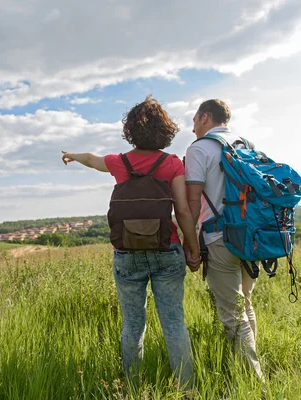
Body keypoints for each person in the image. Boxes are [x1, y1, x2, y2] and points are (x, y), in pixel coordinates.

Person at [61, 95, 200, 389]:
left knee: (132, 324)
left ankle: (133, 388)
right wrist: (193, 249)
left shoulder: (120, 163)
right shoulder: (172, 164)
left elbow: (91, 158)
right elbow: (184, 211)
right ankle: (187, 390)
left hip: (127, 252)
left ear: (131, 131)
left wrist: (72, 154)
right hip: (167, 249)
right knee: (174, 323)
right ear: (165, 131)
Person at [184, 99, 263, 378]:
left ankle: (255, 382)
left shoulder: (199, 149)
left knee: (232, 313)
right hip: (252, 236)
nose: (192, 126)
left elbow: (192, 203)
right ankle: (252, 363)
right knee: (246, 301)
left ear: (205, 117)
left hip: (219, 237)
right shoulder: (247, 145)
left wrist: (189, 243)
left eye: (194, 120)